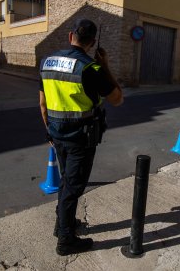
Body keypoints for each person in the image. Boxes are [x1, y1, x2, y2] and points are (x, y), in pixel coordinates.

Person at [39, 18, 123, 256]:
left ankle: (62, 225)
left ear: (70, 36)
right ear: (92, 42)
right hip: (80, 140)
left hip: (56, 135)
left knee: (67, 181)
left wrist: (49, 131)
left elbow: (43, 104)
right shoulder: (91, 68)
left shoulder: (47, 62)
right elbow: (117, 98)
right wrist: (105, 64)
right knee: (73, 187)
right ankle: (66, 240)